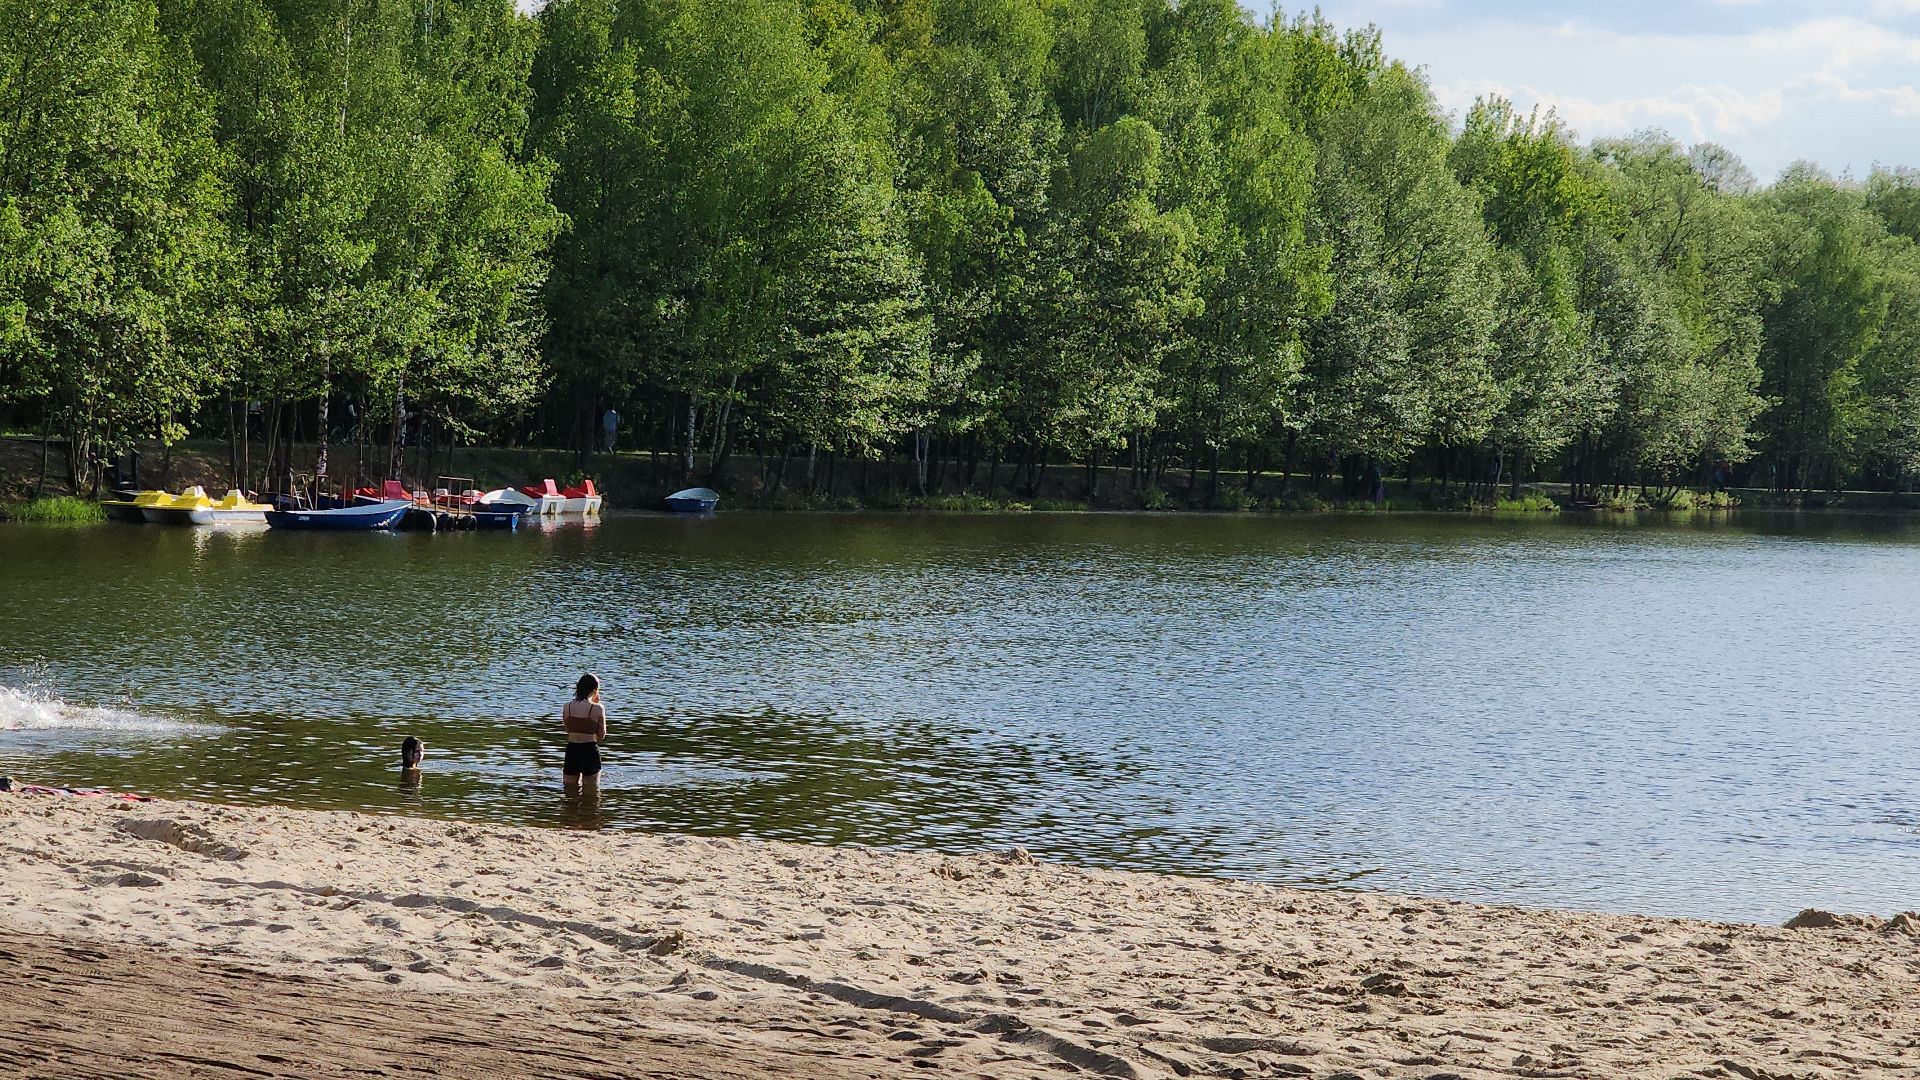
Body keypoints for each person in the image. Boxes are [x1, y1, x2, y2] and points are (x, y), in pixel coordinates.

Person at [562, 673, 607, 794]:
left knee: (569, 791)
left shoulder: (567, 707)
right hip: (589, 751)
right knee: (591, 792)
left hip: (571, 750)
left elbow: (568, 730)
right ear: (594, 690)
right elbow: (601, 735)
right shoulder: (598, 708)